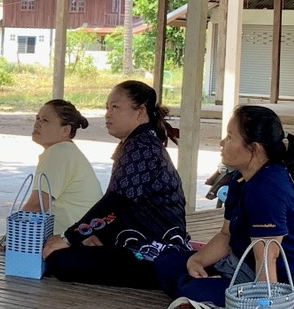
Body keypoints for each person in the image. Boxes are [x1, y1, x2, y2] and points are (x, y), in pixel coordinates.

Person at [153, 105, 294, 309]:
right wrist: (197, 261)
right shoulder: (240, 177)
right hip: (246, 266)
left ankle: (226, 294)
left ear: (254, 148)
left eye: (229, 137)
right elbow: (226, 235)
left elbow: (268, 257)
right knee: (166, 263)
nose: (221, 143)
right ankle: (216, 287)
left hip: (288, 288)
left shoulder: (266, 187)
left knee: (191, 292)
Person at [43, 80, 187, 287]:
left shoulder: (141, 147)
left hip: (150, 251)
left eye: (116, 107)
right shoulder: (139, 142)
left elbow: (115, 202)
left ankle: (155, 274)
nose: (108, 114)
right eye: (107, 108)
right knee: (63, 253)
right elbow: (123, 205)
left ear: (140, 112)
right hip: (136, 241)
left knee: (59, 260)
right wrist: (96, 234)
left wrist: (69, 237)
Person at [25, 99, 103, 236]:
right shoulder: (64, 151)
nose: (37, 123)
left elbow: (36, 206)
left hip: (72, 243)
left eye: (45, 120)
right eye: (37, 118)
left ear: (65, 130)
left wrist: (7, 241)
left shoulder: (59, 153)